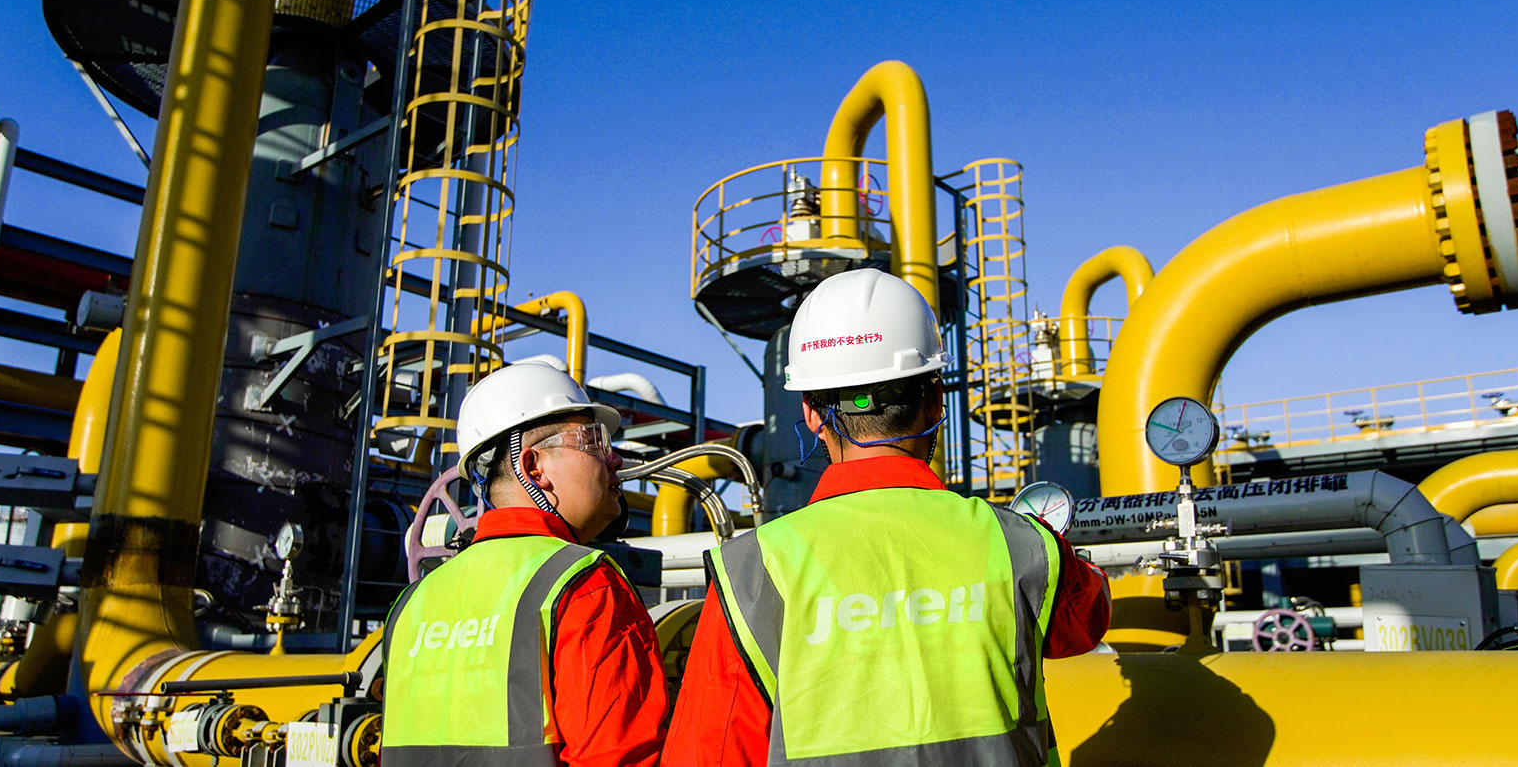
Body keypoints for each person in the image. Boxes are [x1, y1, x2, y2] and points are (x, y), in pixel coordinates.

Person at [664, 268, 1112, 766]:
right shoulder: (1021, 545)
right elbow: (1088, 622)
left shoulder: (751, 573)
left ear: (810, 414)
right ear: (936, 402)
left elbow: (708, 752)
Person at [381, 363, 666, 766]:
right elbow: (619, 756)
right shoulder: (585, 586)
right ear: (533, 467)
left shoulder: (412, 604)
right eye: (594, 441)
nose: (615, 459)